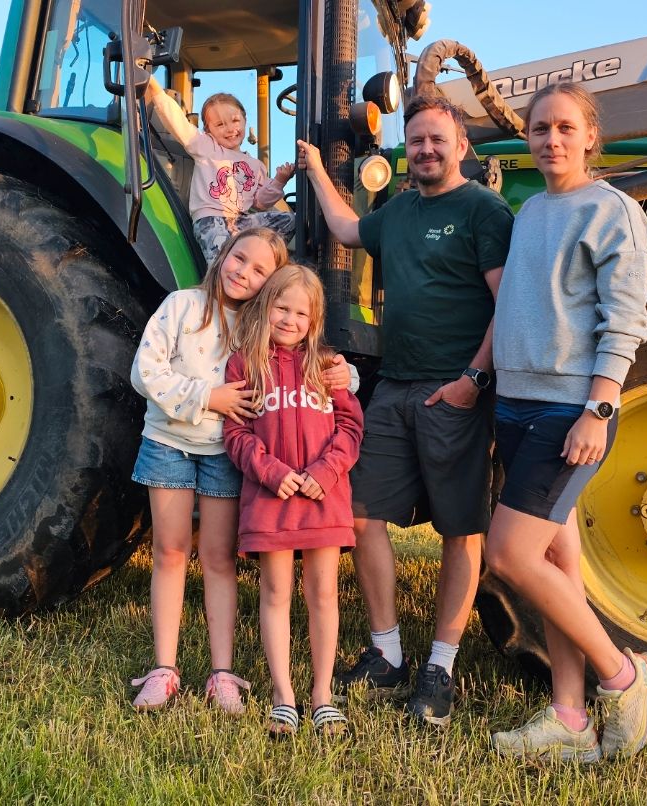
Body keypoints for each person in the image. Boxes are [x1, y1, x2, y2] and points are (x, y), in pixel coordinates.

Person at [297, 95, 514, 726]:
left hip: (455, 389)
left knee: (460, 528)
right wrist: (317, 170)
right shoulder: (396, 211)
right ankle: (387, 652)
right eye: (416, 140)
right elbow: (345, 230)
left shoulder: (484, 210)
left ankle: (440, 666)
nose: (425, 150)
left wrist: (474, 379)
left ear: (461, 147)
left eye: (437, 140)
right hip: (394, 385)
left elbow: (507, 304)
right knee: (361, 514)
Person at [484, 82, 647, 763]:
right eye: (539, 129)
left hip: (569, 411)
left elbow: (626, 320)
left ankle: (624, 677)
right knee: (556, 558)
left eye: (564, 128)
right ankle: (568, 714)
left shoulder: (613, 211)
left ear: (590, 137)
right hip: (516, 402)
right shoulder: (531, 211)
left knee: (509, 555)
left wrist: (599, 408)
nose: (551, 139)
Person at [128, 228, 355, 713]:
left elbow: (309, 362)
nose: (243, 272)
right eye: (239, 258)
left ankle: (222, 672)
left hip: (223, 454)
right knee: (170, 551)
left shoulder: (257, 327)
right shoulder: (182, 306)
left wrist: (347, 373)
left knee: (218, 558)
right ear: (224, 253)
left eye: (259, 270)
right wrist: (208, 397)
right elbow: (144, 371)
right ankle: (164, 668)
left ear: (270, 285)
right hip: (169, 442)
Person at [223, 265, 363, 738]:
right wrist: (271, 472)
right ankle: (284, 696)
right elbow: (236, 433)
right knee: (275, 593)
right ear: (266, 307)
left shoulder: (327, 365)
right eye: (282, 308)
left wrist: (325, 472)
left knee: (323, 594)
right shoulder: (245, 365)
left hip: (323, 497)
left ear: (314, 319)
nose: (290, 319)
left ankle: (322, 694)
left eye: (301, 313)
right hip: (272, 498)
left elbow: (350, 427)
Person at [145, 75, 295, 266]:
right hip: (211, 219)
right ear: (208, 131)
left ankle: (262, 263)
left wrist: (280, 180)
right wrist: (156, 89)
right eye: (220, 124)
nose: (230, 129)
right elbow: (178, 124)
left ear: (244, 119)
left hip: (240, 222)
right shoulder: (206, 147)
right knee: (223, 260)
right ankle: (218, 281)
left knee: (290, 220)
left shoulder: (256, 165)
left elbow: (260, 203)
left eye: (234, 120)